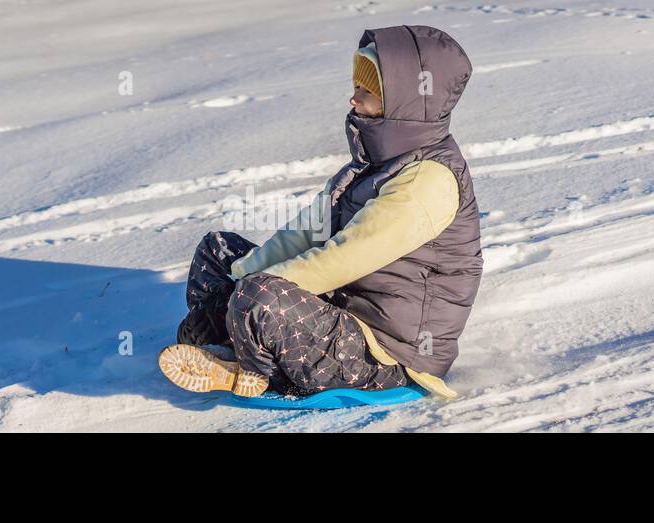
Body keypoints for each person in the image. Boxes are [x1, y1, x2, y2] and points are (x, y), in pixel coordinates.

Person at [160, 25, 482, 399]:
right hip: (339, 317)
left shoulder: (428, 181)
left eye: (367, 91)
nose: (353, 98)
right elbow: (303, 234)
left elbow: (340, 261)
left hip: (386, 356)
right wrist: (231, 286)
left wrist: (239, 297)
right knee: (217, 251)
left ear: (404, 102)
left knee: (259, 295)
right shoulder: (371, 166)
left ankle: (248, 369)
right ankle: (236, 340)